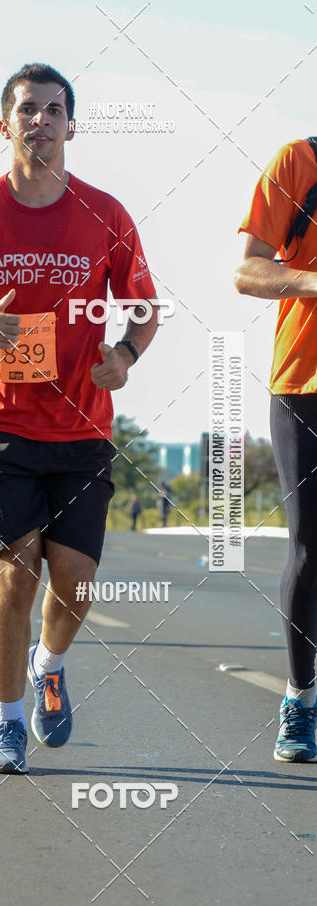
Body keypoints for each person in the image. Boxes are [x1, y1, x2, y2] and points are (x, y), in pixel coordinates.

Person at [0, 63, 158, 773]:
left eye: (54, 111)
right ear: (5, 123)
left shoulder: (105, 213)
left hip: (83, 426)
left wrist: (126, 354)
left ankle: (49, 665)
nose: (41, 121)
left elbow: (143, 307)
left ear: (72, 125)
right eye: (28, 109)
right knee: (15, 576)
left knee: (75, 582)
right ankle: (7, 723)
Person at [235, 136, 317, 762]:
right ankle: (301, 696)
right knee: (310, 548)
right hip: (304, 387)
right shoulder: (301, 162)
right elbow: (249, 269)